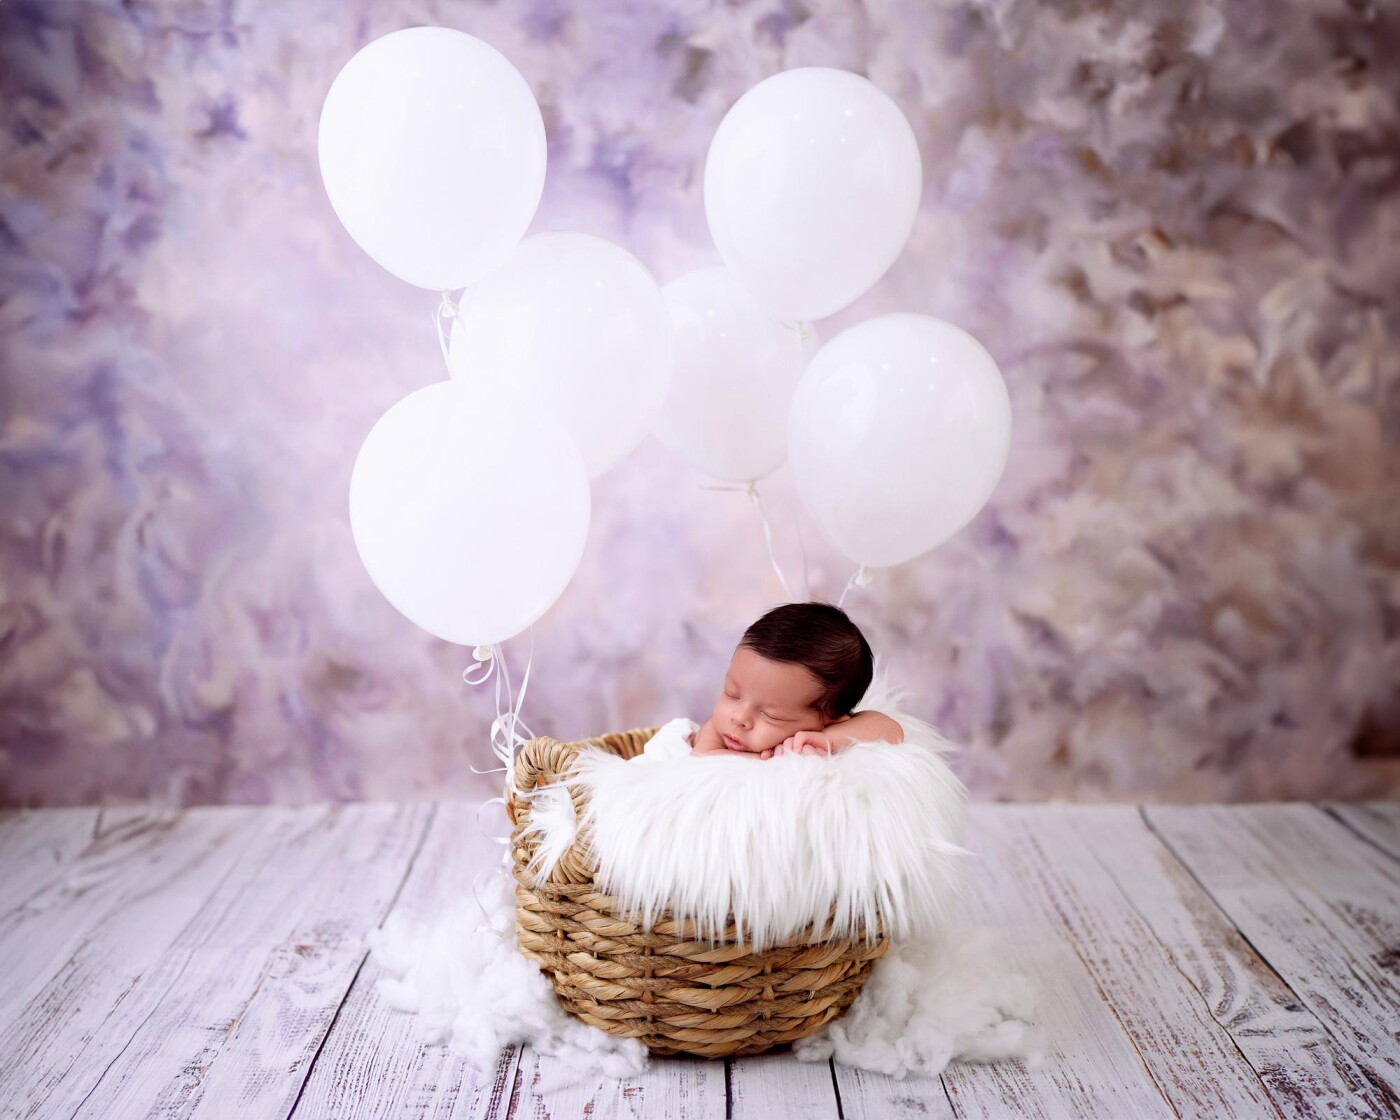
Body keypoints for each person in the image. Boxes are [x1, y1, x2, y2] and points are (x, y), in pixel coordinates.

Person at [690, 601, 904, 760]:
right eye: (732, 694)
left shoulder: (817, 732)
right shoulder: (716, 729)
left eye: (770, 715)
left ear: (830, 719)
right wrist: (766, 761)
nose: (739, 717)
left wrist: (828, 740)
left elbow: (892, 730)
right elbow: (702, 757)